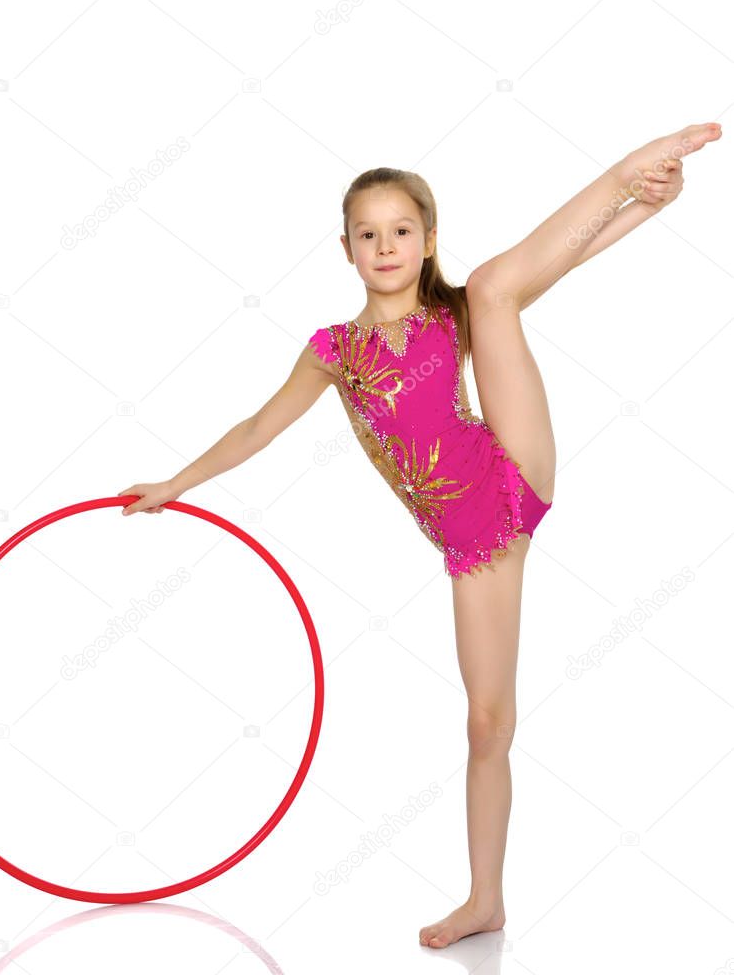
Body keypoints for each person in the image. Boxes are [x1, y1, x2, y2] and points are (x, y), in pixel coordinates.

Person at [118, 121, 721, 948]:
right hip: (471, 541)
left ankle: (624, 169)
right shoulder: (335, 350)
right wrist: (173, 484)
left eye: (401, 230)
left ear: (426, 238)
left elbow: (558, 263)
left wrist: (640, 204)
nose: (385, 245)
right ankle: (485, 900)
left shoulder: (454, 314)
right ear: (346, 249)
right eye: (367, 234)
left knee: (493, 286)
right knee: (486, 724)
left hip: (511, 467)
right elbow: (258, 426)